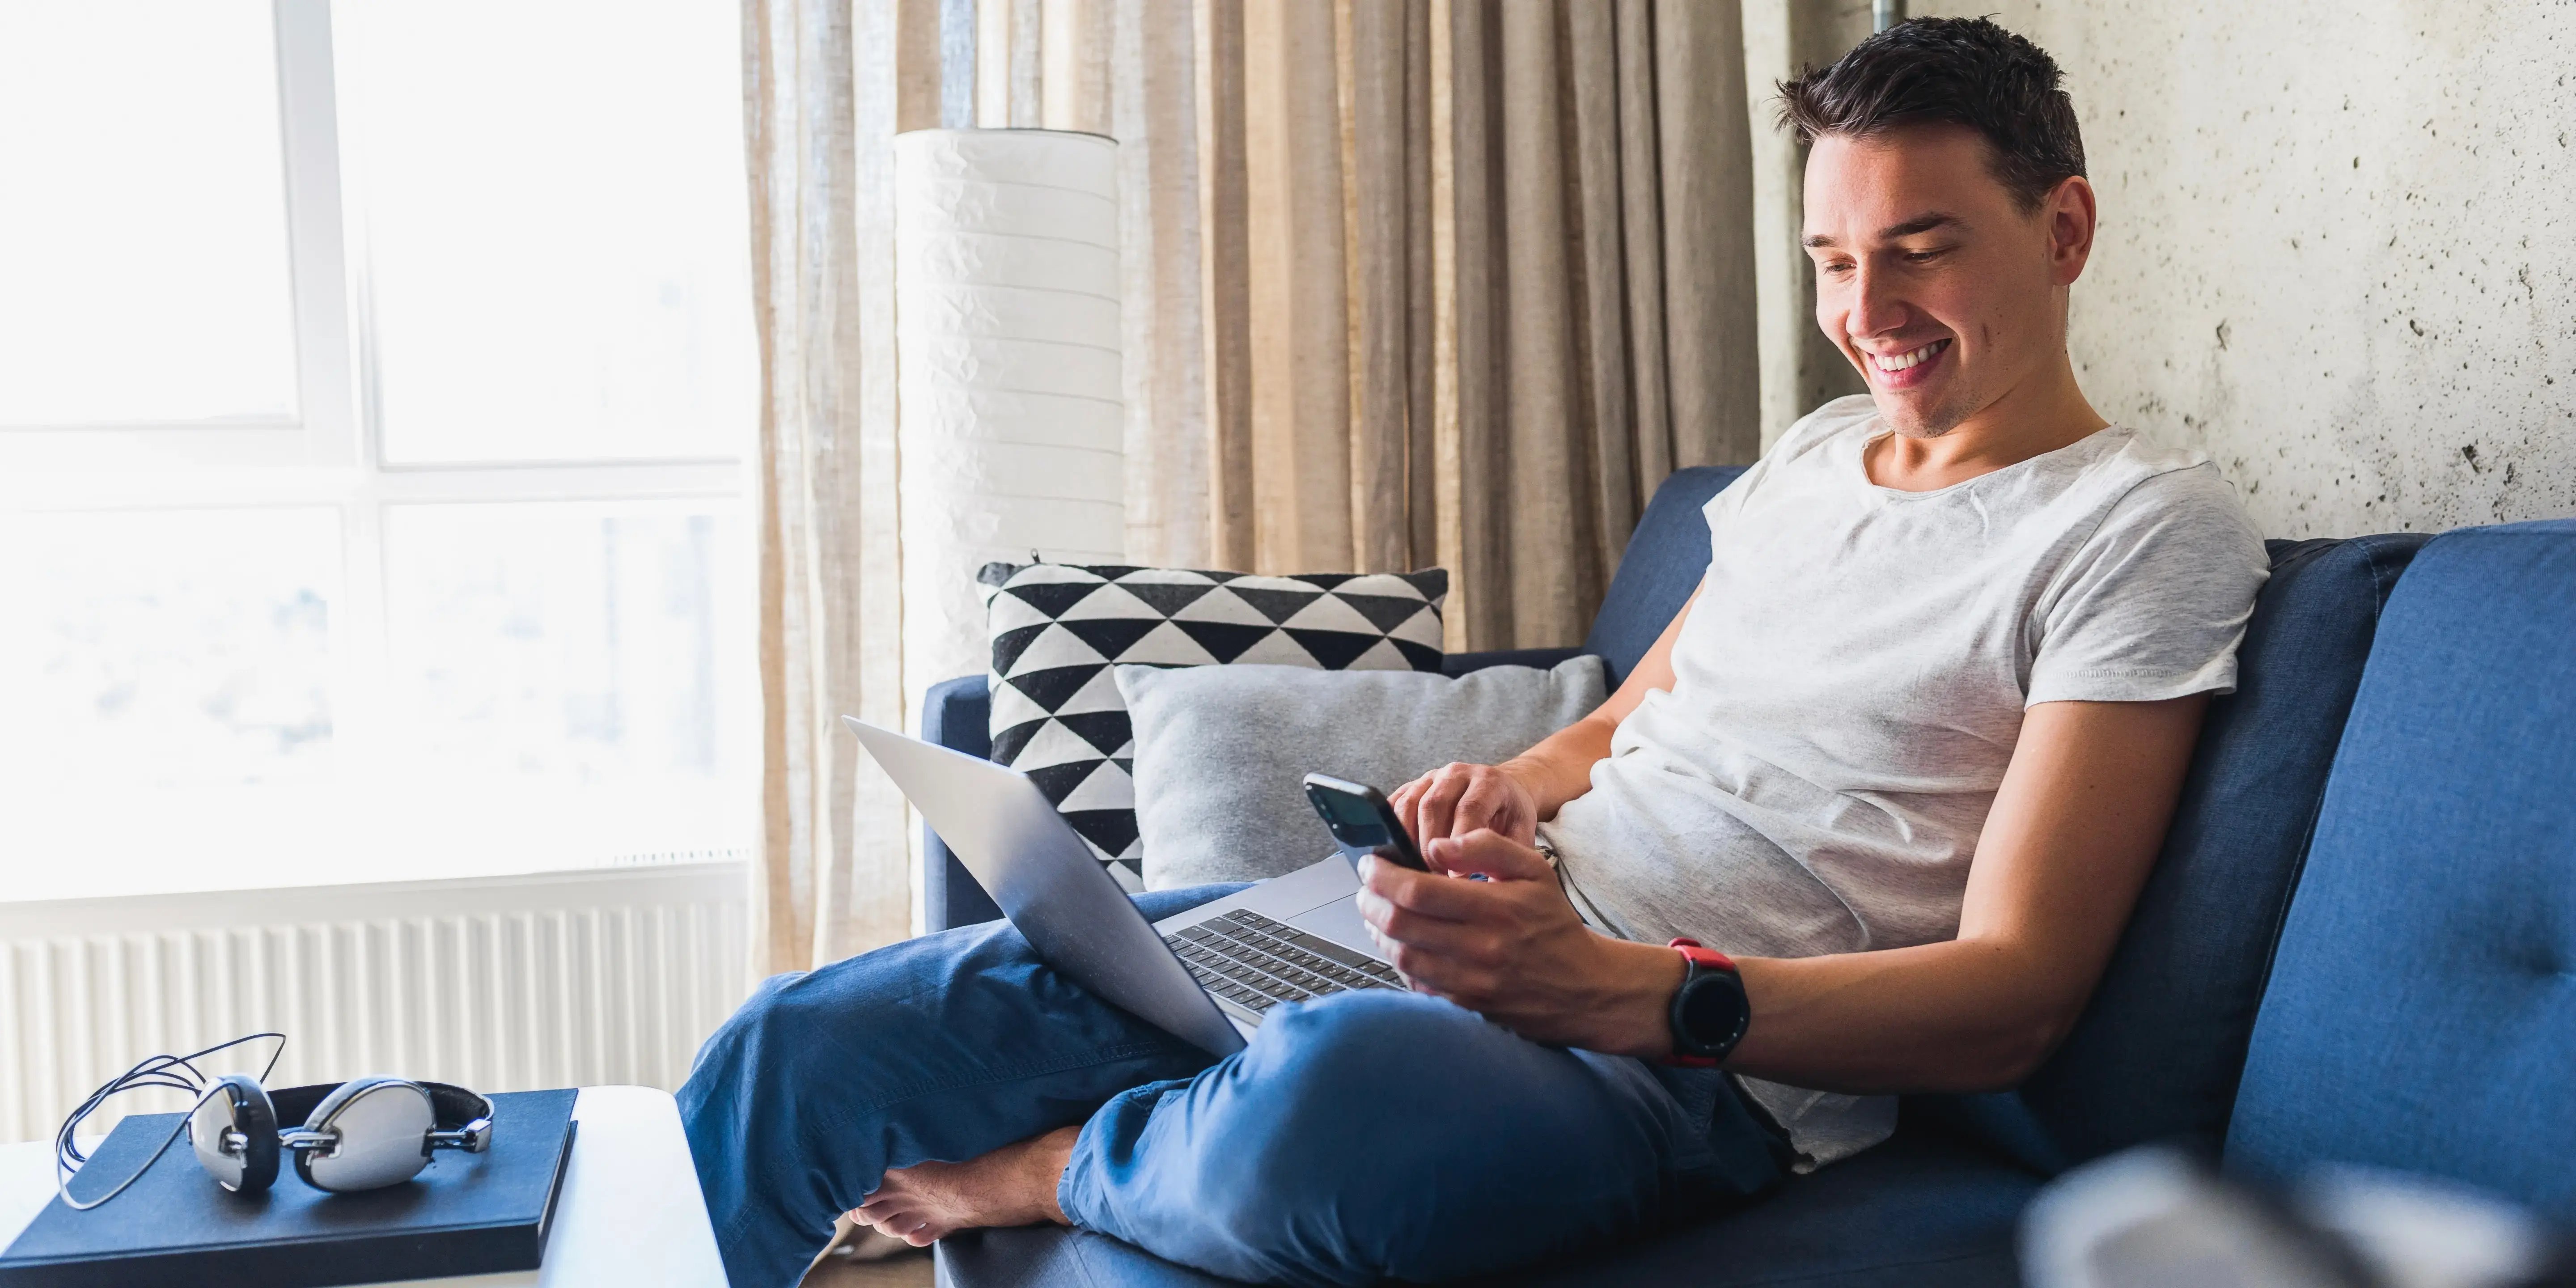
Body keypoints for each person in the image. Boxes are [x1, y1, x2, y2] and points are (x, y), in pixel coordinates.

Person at [676, 17, 2270, 1288]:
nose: (1873, 308)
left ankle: (1053, 1167)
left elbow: (2014, 1001)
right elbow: (1628, 727)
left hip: (1683, 1064)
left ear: (2063, 228)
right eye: (1834, 262)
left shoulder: (2138, 528)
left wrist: (1627, 992)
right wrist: (1493, 797)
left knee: (1332, 1117)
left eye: (1923, 247)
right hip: (1468, 940)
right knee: (796, 1048)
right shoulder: (1809, 461)